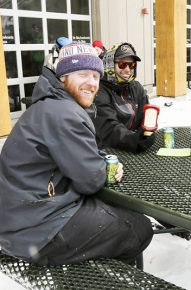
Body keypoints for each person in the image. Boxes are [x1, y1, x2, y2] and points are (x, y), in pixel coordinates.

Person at [0, 43, 153, 266]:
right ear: (63, 77)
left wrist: (98, 159)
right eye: (83, 74)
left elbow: (76, 153)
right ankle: (106, 279)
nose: (92, 83)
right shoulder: (64, 113)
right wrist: (104, 167)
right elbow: (90, 181)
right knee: (138, 228)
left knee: (113, 216)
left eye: (95, 76)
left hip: (19, 217)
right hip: (36, 230)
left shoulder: (51, 105)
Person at [93, 42, 155, 153]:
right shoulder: (100, 90)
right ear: (110, 64)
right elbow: (109, 128)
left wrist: (147, 133)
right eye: (122, 64)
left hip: (133, 149)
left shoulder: (137, 88)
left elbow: (145, 118)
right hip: (108, 151)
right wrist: (133, 139)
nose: (127, 69)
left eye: (131, 65)